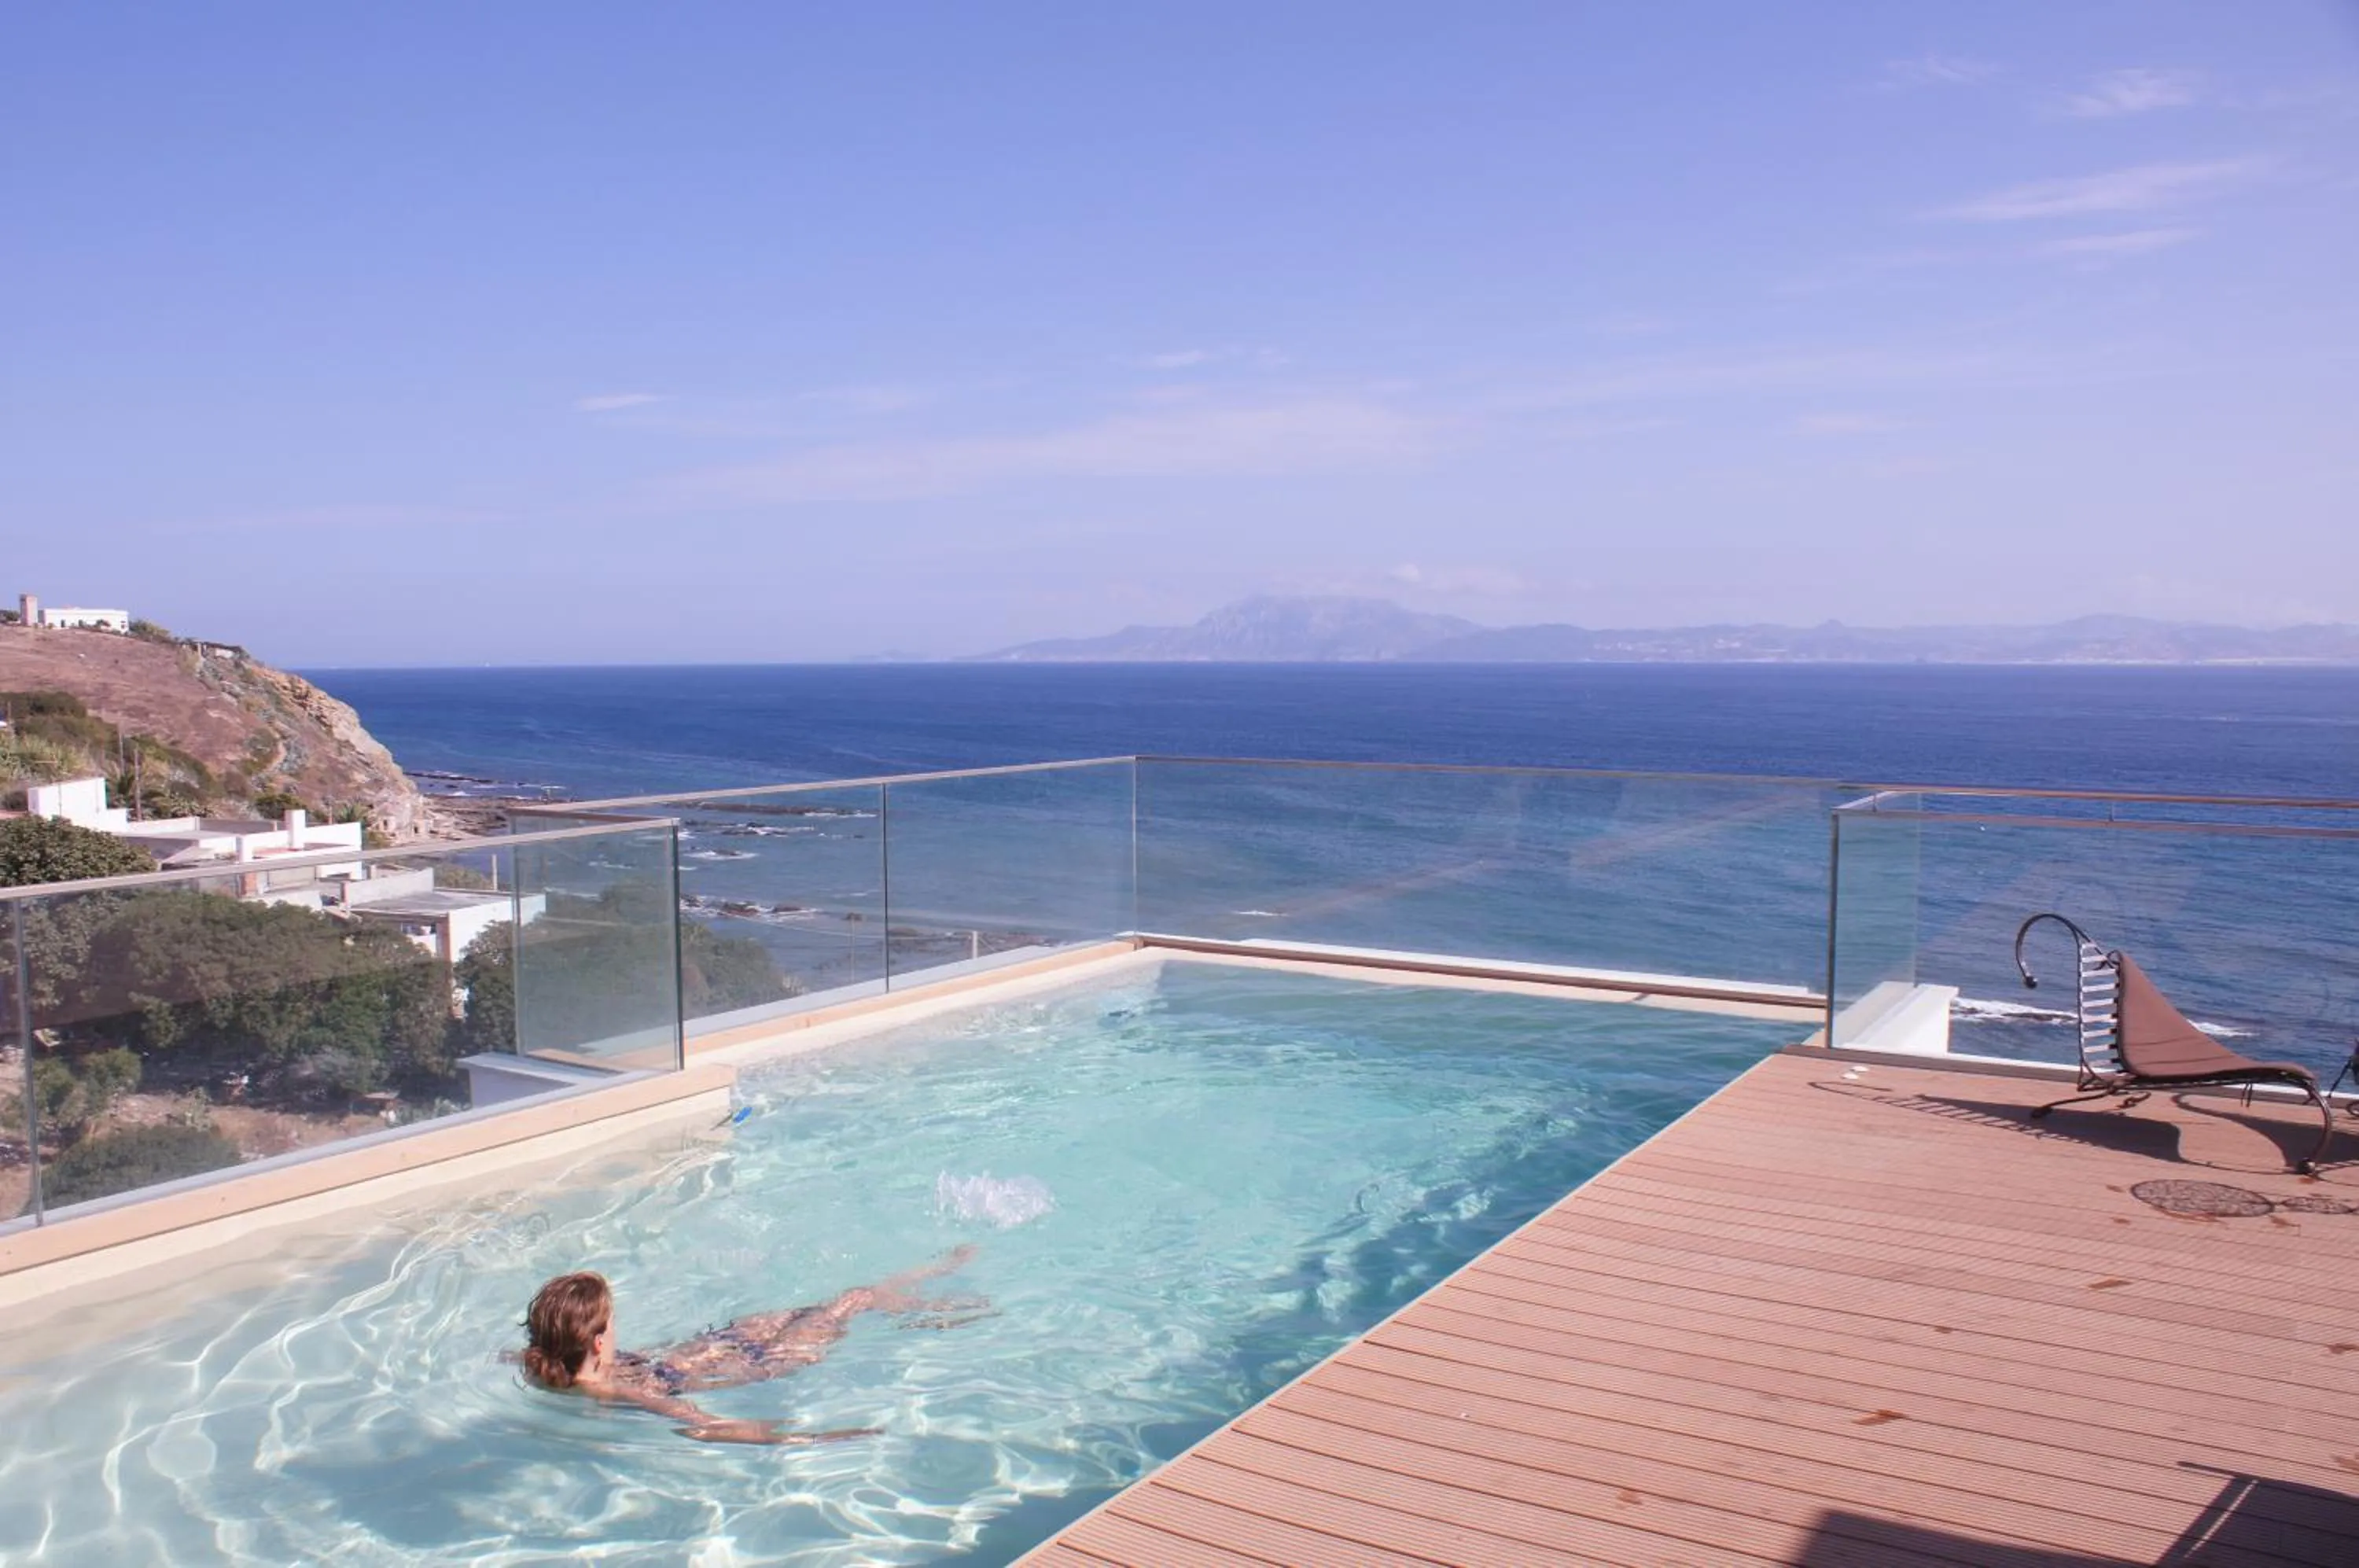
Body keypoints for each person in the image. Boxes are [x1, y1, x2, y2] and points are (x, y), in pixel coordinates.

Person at [519, 1245, 984, 1445]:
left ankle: (925, 1300)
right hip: (762, 1363)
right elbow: (702, 1425)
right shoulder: (618, 1393)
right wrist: (813, 1438)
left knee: (830, 1304)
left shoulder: (543, 1364)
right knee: (853, 1300)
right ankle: (937, 1294)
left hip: (718, 1345)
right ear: (599, 1343)